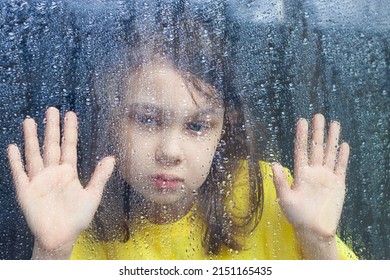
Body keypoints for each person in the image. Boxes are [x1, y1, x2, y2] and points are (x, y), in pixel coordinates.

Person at [7, 14, 357, 260]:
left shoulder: (269, 192)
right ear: (110, 122)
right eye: (146, 119)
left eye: (197, 126)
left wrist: (317, 241)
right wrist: (52, 251)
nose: (170, 152)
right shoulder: (78, 210)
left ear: (224, 130)